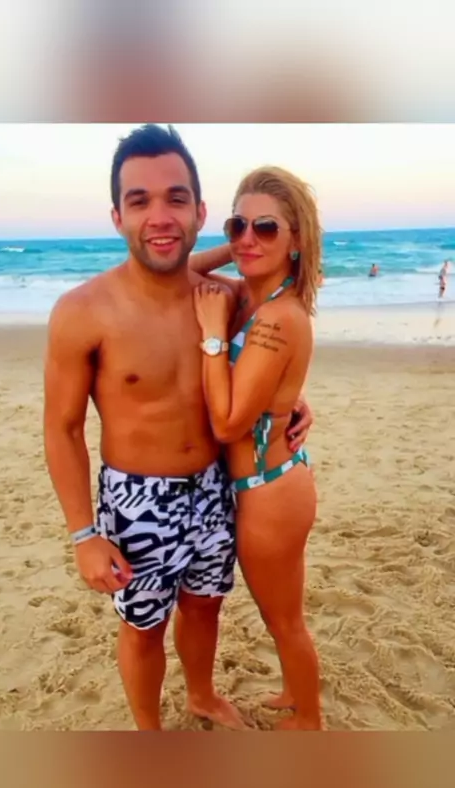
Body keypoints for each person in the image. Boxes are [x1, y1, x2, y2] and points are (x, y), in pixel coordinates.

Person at [43, 124, 313, 732]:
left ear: (200, 212)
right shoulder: (83, 312)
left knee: (205, 608)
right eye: (139, 201)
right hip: (136, 501)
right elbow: (61, 428)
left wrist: (292, 404)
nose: (160, 216)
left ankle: (201, 695)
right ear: (118, 216)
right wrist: (84, 534)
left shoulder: (223, 299)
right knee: (143, 629)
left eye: (176, 198)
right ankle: (149, 732)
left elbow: (268, 355)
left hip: (214, 488)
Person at [193, 165, 323, 730]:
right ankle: (295, 692)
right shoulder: (247, 296)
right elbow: (179, 269)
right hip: (267, 482)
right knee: (279, 613)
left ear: (297, 240)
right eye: (237, 225)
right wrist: (242, 248)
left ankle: (309, 719)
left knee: (285, 619)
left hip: (269, 491)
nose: (247, 238)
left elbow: (227, 424)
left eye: (266, 228)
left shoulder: (278, 316)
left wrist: (212, 336)